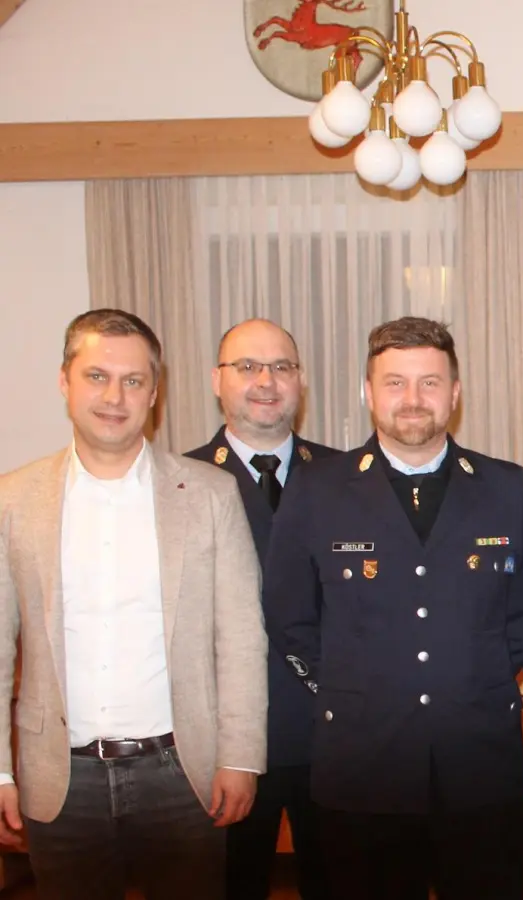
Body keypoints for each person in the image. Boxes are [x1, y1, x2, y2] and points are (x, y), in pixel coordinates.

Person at [262, 317, 523, 900]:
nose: (413, 398)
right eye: (395, 382)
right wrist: (350, 688)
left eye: (429, 382)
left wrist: (475, 676)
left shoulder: (507, 488)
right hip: (361, 769)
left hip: (479, 768)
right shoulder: (315, 489)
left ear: (455, 393)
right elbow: (289, 617)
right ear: (368, 392)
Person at [0, 309, 267, 899]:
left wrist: (241, 757)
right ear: (64, 381)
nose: (114, 397)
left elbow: (242, 638)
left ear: (154, 391)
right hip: (59, 779)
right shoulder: (12, 500)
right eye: (96, 376)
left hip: (182, 774)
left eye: (133, 380)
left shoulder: (211, 494)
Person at [185, 318, 337, 900]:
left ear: (301, 380)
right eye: (247, 366)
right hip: (223, 744)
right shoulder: (180, 483)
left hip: (334, 738)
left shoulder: (349, 479)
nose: (266, 381)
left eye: (282, 367)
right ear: (216, 380)